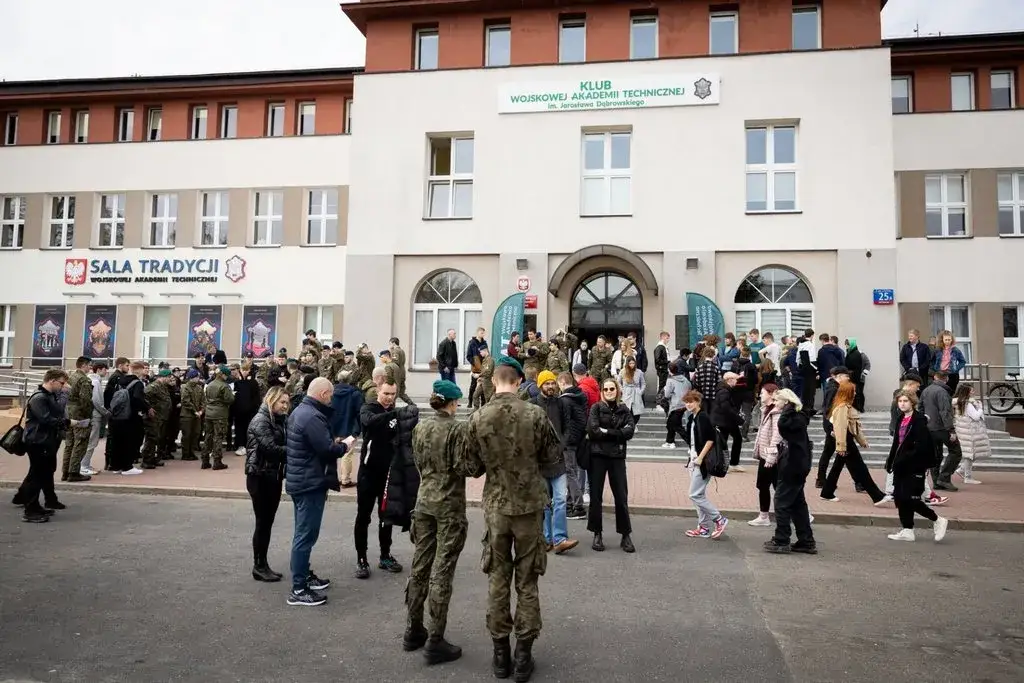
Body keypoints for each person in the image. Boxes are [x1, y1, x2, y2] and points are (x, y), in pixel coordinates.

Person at [454, 357, 562, 682]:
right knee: (527, 580)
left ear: (495, 382)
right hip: (529, 507)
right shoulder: (535, 413)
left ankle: (501, 655)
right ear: (517, 382)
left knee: (498, 578)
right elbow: (554, 455)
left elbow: (469, 466)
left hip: (497, 508)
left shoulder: (479, 417)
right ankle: (523, 655)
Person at [404, 380, 469, 664]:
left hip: (424, 501)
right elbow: (464, 466)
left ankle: (413, 628)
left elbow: (418, 461)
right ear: (453, 403)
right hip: (448, 505)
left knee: (420, 565)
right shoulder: (456, 428)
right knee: (442, 571)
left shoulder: (421, 427)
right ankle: (435, 638)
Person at [285, 377, 355, 606]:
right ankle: (298, 588)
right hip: (309, 483)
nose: (331, 399)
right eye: (330, 395)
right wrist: (344, 446)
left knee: (303, 532)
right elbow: (326, 449)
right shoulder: (312, 416)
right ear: (324, 394)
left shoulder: (301, 411)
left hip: (302, 479)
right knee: (305, 535)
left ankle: (303, 576)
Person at [355, 380, 413, 579]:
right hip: (368, 473)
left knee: (385, 516)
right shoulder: (367, 408)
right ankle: (361, 559)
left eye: (393, 394)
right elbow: (370, 422)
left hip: (389, 474)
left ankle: (385, 555)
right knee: (363, 516)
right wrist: (395, 414)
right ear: (378, 391)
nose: (389, 398)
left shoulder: (395, 412)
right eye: (386, 393)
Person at [886, 390, 948, 543]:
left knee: (911, 498)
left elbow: (922, 445)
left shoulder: (918, 420)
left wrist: (907, 458)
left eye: (905, 401)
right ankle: (907, 530)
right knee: (900, 498)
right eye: (900, 401)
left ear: (912, 402)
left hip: (914, 466)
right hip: (900, 465)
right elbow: (897, 443)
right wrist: (890, 461)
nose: (902, 404)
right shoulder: (901, 418)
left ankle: (938, 520)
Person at [530, 371, 580, 555]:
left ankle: (560, 539)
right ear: (540, 385)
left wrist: (562, 445)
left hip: (558, 460)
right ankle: (546, 538)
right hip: (540, 462)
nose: (551, 386)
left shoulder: (562, 403)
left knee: (559, 499)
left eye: (553, 383)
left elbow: (568, 428)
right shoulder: (532, 405)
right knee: (544, 503)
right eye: (547, 383)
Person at [585, 378, 636, 553]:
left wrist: (608, 432)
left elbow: (629, 431)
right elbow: (593, 430)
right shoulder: (596, 408)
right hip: (598, 456)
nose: (609, 392)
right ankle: (597, 534)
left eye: (612, 389)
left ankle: (625, 535)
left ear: (617, 390)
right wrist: (617, 433)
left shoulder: (624, 409)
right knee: (596, 496)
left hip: (617, 456)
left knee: (621, 497)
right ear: (601, 391)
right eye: (605, 389)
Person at [763, 389, 817, 554]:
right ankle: (806, 540)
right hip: (797, 465)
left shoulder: (793, 418)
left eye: (778, 400)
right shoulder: (797, 416)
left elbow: (782, 426)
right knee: (797, 504)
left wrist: (786, 409)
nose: (775, 403)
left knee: (781, 502)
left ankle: (782, 539)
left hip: (793, 466)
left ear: (786, 402)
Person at [14, 369, 71, 522]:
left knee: (44, 473)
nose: (63, 386)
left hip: (46, 440)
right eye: (62, 383)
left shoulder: (49, 396)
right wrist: (68, 422)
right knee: (36, 476)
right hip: (37, 441)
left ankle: (35, 505)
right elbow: (46, 419)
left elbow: (58, 412)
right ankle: (30, 511)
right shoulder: (39, 398)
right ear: (52, 380)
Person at [246, 386, 290, 582]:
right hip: (260, 476)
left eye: (287, 402)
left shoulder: (278, 420)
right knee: (263, 523)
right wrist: (297, 450)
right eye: (282, 402)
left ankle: (263, 564)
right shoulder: (261, 420)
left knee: (267, 523)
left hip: (272, 476)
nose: (285, 406)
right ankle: (259, 566)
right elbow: (271, 448)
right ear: (272, 400)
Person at [819, 382, 887, 505]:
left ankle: (827, 492)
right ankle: (877, 496)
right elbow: (840, 428)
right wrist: (841, 446)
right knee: (860, 468)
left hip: (845, 440)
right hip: (845, 441)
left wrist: (862, 441)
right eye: (853, 391)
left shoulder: (845, 407)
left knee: (838, 467)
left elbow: (854, 427)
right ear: (848, 393)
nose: (855, 393)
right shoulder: (842, 408)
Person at [682, 390, 729, 539]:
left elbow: (710, 439)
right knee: (699, 495)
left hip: (703, 461)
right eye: (686, 402)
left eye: (691, 401)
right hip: (694, 460)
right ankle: (703, 527)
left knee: (694, 494)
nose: (688, 404)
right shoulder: (693, 418)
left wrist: (701, 458)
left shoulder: (702, 417)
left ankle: (719, 519)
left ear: (698, 402)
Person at [921, 370, 963, 491]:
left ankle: (936, 481)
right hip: (942, 428)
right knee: (956, 451)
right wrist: (951, 430)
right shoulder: (943, 392)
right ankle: (944, 478)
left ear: (935, 377)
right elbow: (945, 412)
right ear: (947, 379)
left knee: (936, 455)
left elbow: (921, 408)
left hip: (929, 427)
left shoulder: (926, 390)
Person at [556, 371, 588, 521]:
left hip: (568, 441)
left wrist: (563, 440)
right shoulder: (580, 396)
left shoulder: (564, 400)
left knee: (569, 472)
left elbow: (564, 422)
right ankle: (570, 504)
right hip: (578, 438)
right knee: (572, 471)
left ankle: (578, 506)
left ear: (562, 382)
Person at [748, 383, 780, 527]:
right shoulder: (765, 409)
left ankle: (798, 513)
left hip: (771, 457)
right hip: (765, 455)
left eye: (762, 393)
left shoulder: (776, 412)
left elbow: (776, 436)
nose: (760, 395)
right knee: (763, 485)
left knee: (778, 486)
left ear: (772, 394)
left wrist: (771, 457)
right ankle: (764, 516)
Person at [61, 356, 94, 483]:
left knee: (69, 443)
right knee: (80, 443)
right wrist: (88, 415)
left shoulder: (71, 377)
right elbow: (85, 400)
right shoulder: (83, 379)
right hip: (80, 414)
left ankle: (66, 471)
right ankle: (73, 472)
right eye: (89, 365)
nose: (90, 368)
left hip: (68, 412)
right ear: (84, 365)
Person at [953, 384, 989, 484]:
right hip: (970, 432)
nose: (973, 392)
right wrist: (980, 408)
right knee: (970, 454)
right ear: (967, 392)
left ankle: (961, 471)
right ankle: (967, 477)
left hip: (963, 431)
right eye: (972, 391)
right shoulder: (967, 404)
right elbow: (976, 417)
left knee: (968, 454)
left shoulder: (958, 402)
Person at [80, 361, 109, 477]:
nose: (106, 372)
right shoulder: (95, 382)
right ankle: (84, 466)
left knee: (90, 441)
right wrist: (105, 412)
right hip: (95, 414)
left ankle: (84, 465)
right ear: (99, 370)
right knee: (91, 441)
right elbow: (96, 400)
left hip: (91, 414)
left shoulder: (92, 380)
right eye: (105, 369)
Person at [202, 365, 235, 470]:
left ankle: (205, 460)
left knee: (208, 436)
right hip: (220, 414)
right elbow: (229, 399)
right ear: (223, 375)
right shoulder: (224, 386)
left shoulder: (209, 384)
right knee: (218, 437)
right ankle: (217, 461)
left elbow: (206, 397)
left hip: (209, 413)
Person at [711, 372, 744, 471]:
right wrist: (738, 419)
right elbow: (726, 407)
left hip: (726, 420)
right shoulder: (724, 391)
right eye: (735, 379)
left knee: (732, 439)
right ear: (729, 380)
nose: (736, 381)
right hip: (724, 421)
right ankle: (728, 463)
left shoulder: (724, 389)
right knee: (730, 440)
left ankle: (729, 463)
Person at [662, 360, 691, 448]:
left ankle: (692, 444)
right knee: (670, 424)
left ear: (669, 370)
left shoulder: (670, 380)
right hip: (684, 405)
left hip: (675, 405)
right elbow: (689, 387)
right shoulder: (685, 379)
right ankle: (669, 441)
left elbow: (667, 395)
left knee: (677, 426)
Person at [180, 369, 206, 461]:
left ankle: (192, 452)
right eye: (196, 377)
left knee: (195, 434)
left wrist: (201, 411)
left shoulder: (199, 388)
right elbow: (185, 401)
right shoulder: (185, 387)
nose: (198, 378)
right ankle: (186, 454)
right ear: (191, 378)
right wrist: (195, 411)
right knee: (187, 435)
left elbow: (203, 401)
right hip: (187, 415)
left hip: (197, 415)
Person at [619, 356, 646, 427]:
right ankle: (629, 424)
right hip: (627, 392)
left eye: (633, 363)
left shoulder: (639, 372)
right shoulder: (623, 371)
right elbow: (618, 382)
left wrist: (641, 391)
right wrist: (622, 390)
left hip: (636, 392)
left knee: (637, 411)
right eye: (630, 363)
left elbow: (643, 383)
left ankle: (634, 424)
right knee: (628, 410)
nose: (632, 365)